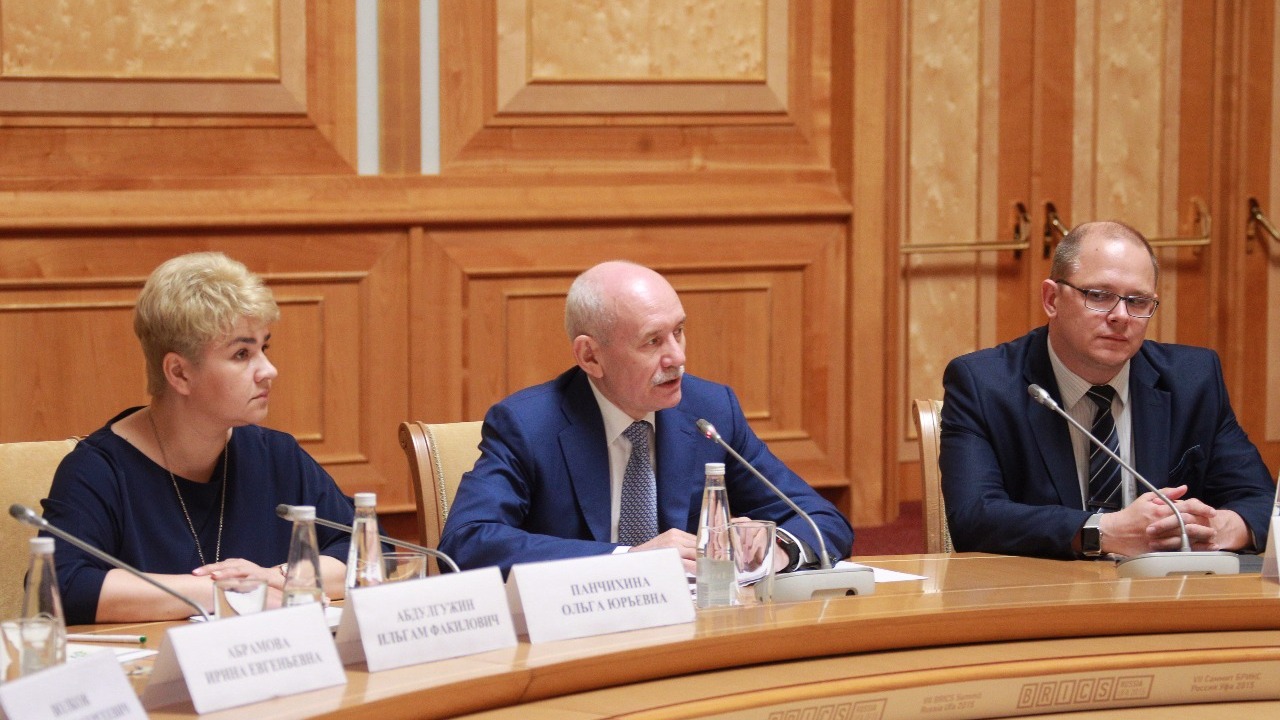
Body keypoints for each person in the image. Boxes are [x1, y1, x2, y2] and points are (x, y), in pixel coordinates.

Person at [439, 261, 854, 575]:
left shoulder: (710, 413)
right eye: (653, 341)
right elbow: (466, 543)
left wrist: (777, 547)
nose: (678, 357)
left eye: (679, 331)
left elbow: (821, 519)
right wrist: (629, 559)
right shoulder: (529, 425)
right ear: (590, 356)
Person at [42, 252, 354, 625]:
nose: (269, 370)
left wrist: (277, 578)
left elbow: (368, 550)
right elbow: (60, 587)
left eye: (264, 348)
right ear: (179, 373)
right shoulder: (97, 470)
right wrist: (219, 592)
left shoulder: (276, 455)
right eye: (242, 354)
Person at [940, 221, 1275, 559]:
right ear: (1052, 299)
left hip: (1165, 587)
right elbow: (974, 518)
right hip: (1045, 586)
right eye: (1099, 296)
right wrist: (1103, 531)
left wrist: (1215, 530)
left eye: (1138, 301)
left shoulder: (1192, 380)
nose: (1121, 316)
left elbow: (1263, 502)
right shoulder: (983, 384)